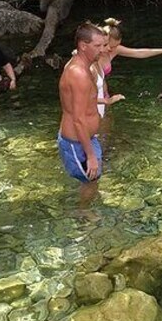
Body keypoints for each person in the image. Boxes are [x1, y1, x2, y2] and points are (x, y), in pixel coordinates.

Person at [58, 21, 106, 204]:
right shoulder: (78, 73)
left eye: (103, 45)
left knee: (93, 180)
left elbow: (85, 104)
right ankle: (84, 218)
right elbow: (78, 119)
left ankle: (87, 212)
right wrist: (91, 156)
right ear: (83, 46)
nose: (102, 50)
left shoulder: (84, 66)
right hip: (76, 143)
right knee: (90, 183)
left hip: (86, 139)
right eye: (98, 46)